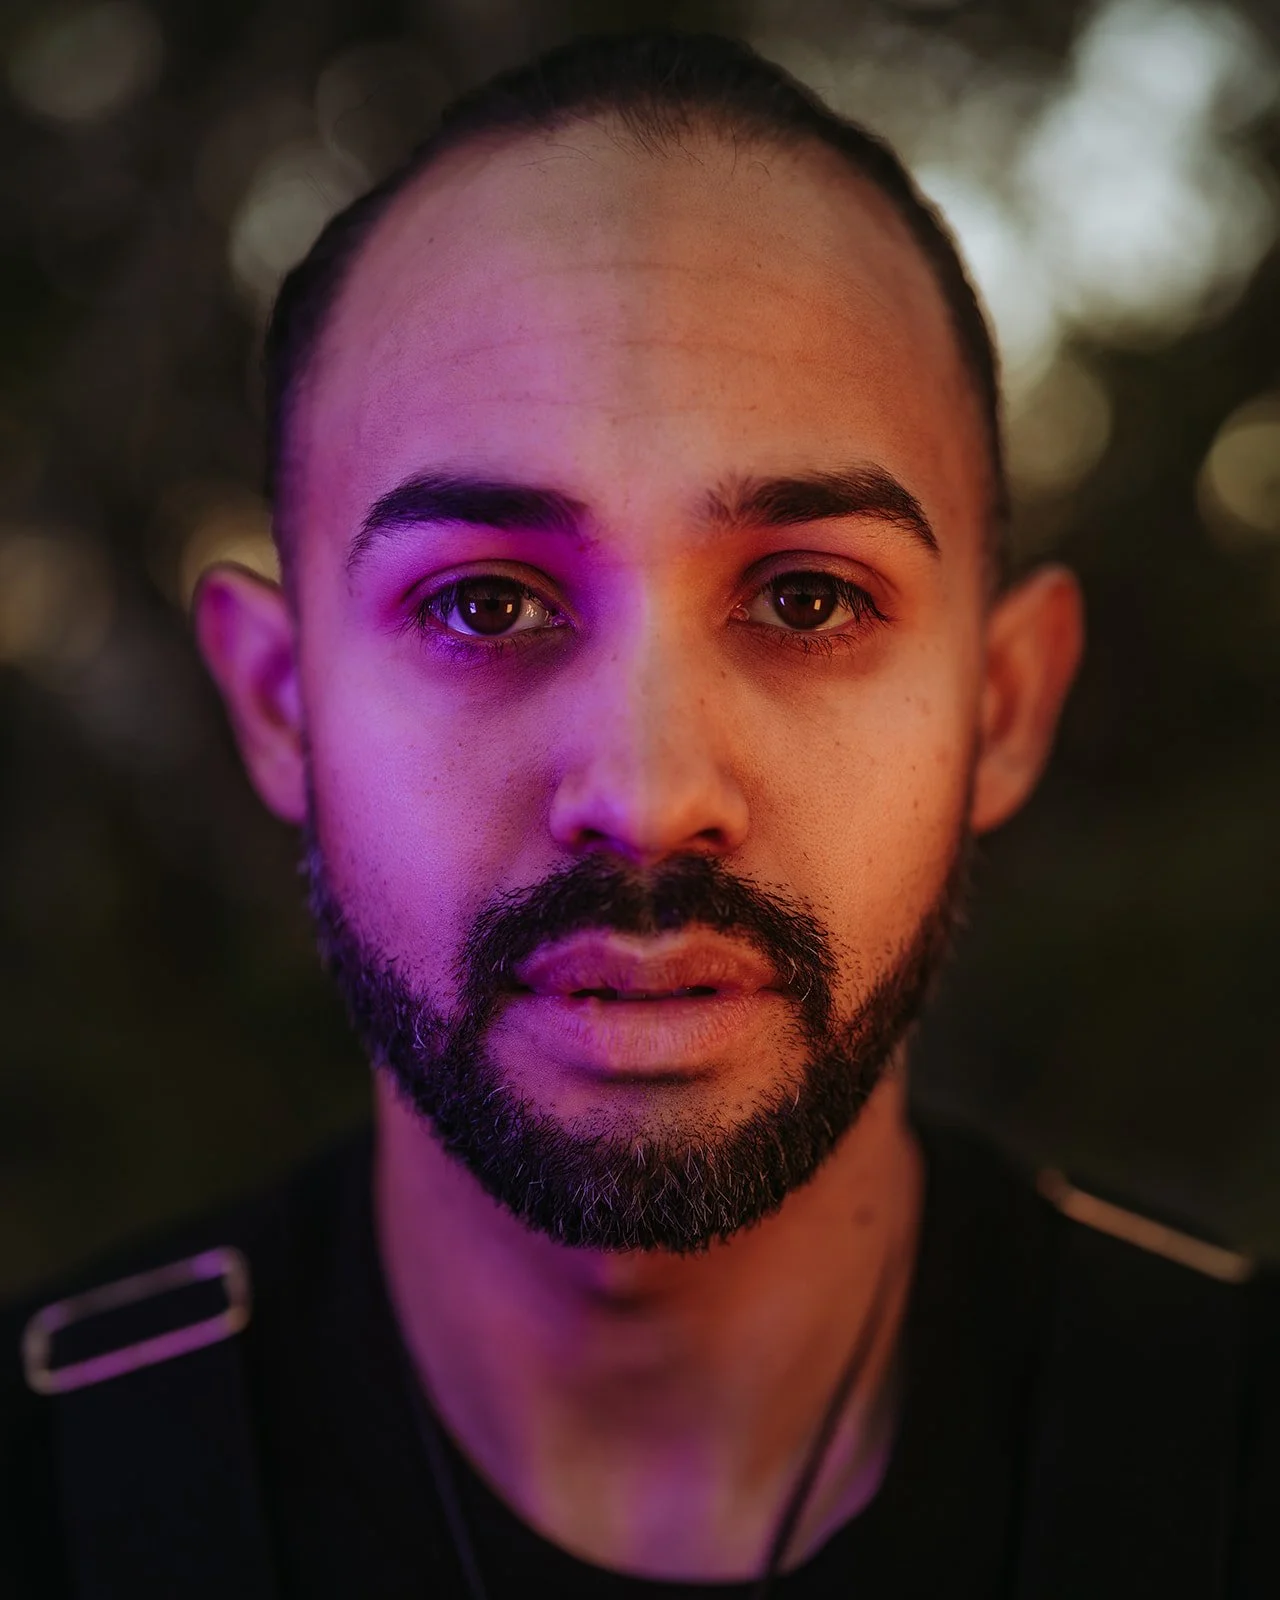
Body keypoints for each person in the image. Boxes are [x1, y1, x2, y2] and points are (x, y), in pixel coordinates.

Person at [2, 29, 1276, 1600]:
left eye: (808, 597)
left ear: (1002, 707)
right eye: (480, 604)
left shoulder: (1231, 1469)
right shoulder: (51, 1504)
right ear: (281, 705)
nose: (650, 800)